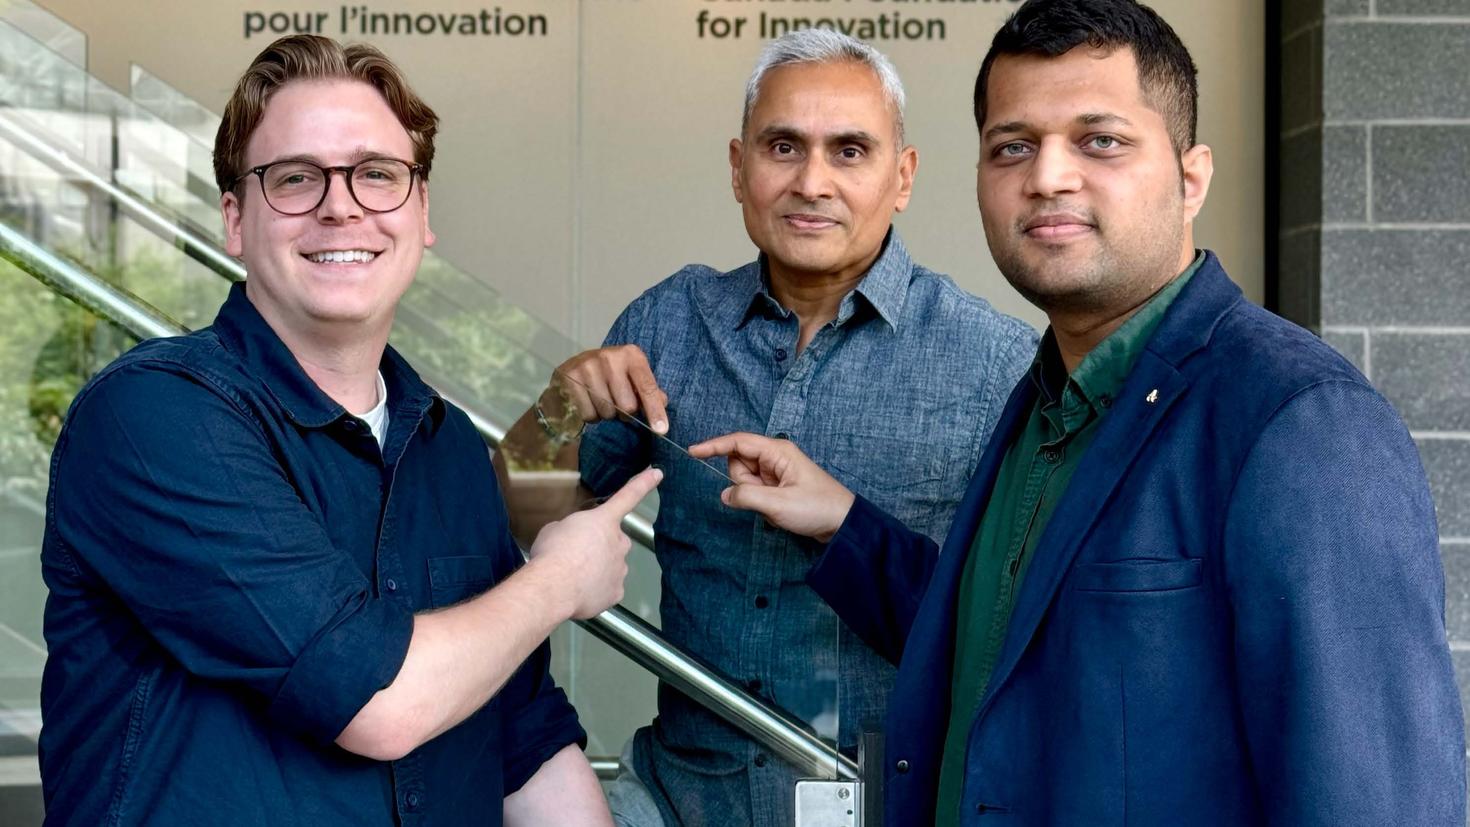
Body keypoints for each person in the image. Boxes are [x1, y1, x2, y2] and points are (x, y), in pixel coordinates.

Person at [690, 1, 1467, 824]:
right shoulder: (1041, 399)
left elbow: (1381, 802)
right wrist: (845, 526)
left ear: (1191, 174)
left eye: (1101, 141)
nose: (1048, 176)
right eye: (1013, 146)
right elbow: (1001, 649)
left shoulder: (1300, 421)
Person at [38, 34, 659, 826]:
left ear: (421, 211)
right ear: (234, 219)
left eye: (377, 174)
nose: (342, 204)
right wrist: (557, 581)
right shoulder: (153, 419)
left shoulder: (453, 453)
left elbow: (523, 744)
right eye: (295, 178)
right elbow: (377, 698)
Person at [496, 28, 1036, 827]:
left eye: (849, 151)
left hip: (884, 806)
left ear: (904, 176)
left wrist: (848, 525)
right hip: (676, 797)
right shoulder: (669, 322)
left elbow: (1018, 634)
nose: (811, 181)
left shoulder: (997, 364)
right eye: (783, 146)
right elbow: (522, 517)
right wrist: (555, 414)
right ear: (739, 167)